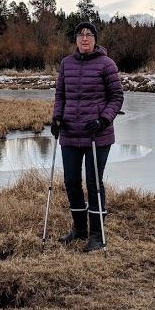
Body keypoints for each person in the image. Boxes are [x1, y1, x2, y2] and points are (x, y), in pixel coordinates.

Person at [51, 21, 124, 252]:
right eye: (80, 34)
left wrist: (103, 120)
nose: (84, 38)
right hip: (70, 133)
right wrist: (56, 119)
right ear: (75, 39)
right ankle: (79, 229)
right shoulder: (66, 64)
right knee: (71, 183)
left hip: (97, 136)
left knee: (93, 183)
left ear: (95, 39)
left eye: (89, 34)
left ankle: (97, 235)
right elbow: (60, 95)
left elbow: (116, 97)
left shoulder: (107, 64)